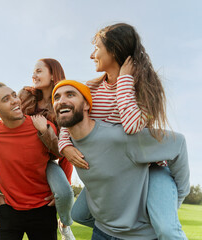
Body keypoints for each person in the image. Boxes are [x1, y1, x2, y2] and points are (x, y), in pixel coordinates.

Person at [58, 23, 188, 239]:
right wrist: (65, 144)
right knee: (79, 214)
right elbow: (71, 117)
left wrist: (125, 81)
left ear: (114, 50)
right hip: (113, 170)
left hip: (147, 167)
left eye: (97, 48)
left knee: (166, 228)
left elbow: (131, 127)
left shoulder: (145, 89)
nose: (92, 55)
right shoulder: (92, 88)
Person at [0, 59, 79, 240]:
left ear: (53, 74)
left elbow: (63, 152)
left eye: (39, 71)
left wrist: (44, 130)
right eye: (34, 71)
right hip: (16, 153)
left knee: (64, 193)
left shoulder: (63, 105)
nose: (34, 75)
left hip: (49, 155)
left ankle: (65, 224)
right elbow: (8, 116)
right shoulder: (26, 95)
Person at [0, 82, 59, 239]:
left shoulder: (43, 127)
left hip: (44, 208)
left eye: (14, 95)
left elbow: (60, 155)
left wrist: (59, 191)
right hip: (8, 210)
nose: (15, 100)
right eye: (6, 99)